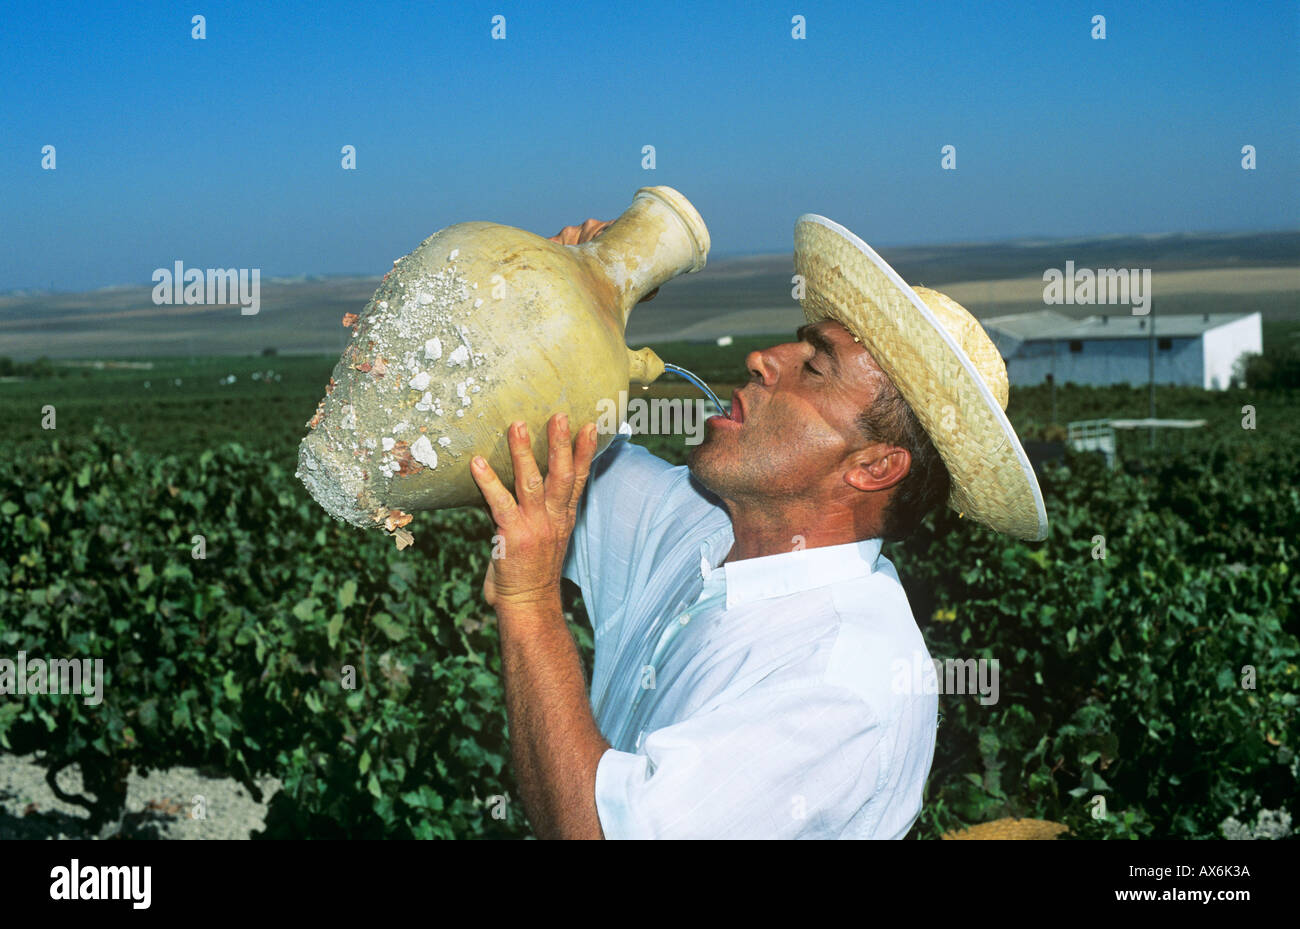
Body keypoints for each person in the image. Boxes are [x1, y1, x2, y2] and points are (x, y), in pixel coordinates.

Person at [468, 212, 1048, 839]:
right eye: (797, 343)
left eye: (815, 367)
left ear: (874, 466)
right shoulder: (697, 524)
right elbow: (533, 441)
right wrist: (566, 310)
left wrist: (528, 602)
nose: (763, 358)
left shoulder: (842, 683)